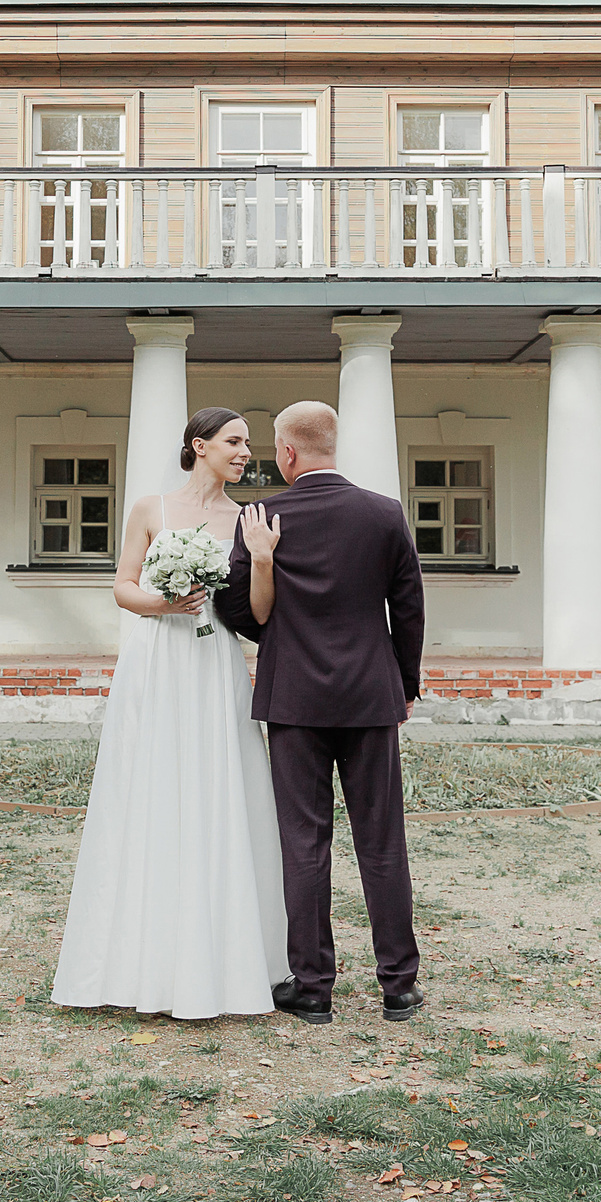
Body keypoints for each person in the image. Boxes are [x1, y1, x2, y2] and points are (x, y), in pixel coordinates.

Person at [50, 407, 290, 1018]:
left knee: (218, 786)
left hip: (215, 661)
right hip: (157, 659)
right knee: (151, 786)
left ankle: (227, 956)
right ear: (199, 445)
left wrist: (263, 560)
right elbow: (123, 586)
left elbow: (259, 612)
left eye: (248, 444)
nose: (246, 453)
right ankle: (139, 961)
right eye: (235, 441)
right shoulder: (150, 508)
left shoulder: (248, 519)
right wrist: (164, 603)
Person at [214, 400, 426, 1025]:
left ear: (287, 452)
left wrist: (282, 636)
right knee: (382, 841)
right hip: (369, 696)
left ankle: (312, 988)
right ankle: (399, 985)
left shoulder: (261, 516)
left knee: (303, 841)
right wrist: (404, 684)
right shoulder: (384, 513)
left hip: (294, 699)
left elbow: (235, 607)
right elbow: (408, 607)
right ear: (333, 445)